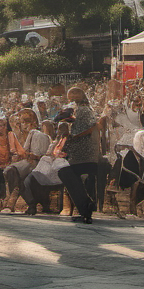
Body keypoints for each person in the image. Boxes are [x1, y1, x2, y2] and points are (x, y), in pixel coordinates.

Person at [57, 87, 99, 225]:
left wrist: (71, 137)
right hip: (84, 156)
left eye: (76, 93)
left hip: (85, 156)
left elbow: (88, 129)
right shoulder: (82, 110)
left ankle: (85, 205)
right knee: (67, 173)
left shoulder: (83, 110)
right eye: (71, 94)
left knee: (64, 173)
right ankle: (85, 207)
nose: (73, 96)